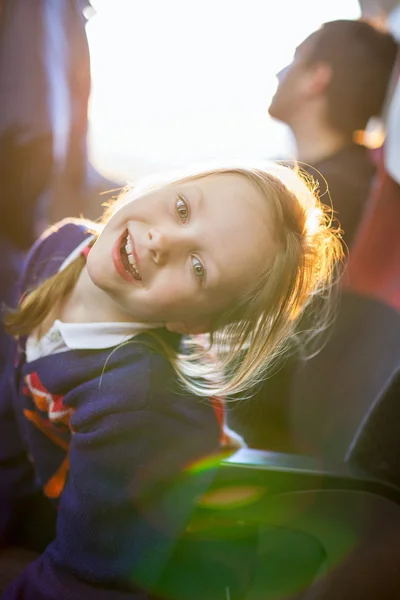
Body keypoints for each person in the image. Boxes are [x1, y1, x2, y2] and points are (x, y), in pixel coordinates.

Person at [0, 160, 341, 599]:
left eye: (199, 268)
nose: (162, 241)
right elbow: (12, 404)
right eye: (182, 208)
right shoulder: (59, 247)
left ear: (190, 321)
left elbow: (85, 579)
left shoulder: (137, 401)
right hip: (78, 510)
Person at [268, 19, 398, 249]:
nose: (280, 74)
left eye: (295, 59)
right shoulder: (366, 179)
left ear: (317, 78)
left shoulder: (311, 199)